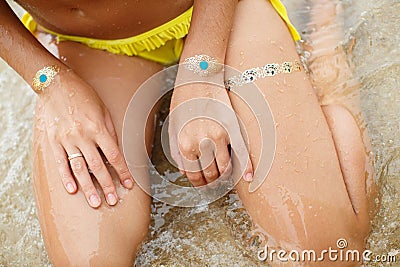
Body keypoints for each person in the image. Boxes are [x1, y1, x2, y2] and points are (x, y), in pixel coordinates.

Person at [0, 0, 377, 265]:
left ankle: (327, 50)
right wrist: (50, 81)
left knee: (326, 252)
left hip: (217, 12)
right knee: (89, 258)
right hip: (88, 43)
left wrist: (201, 69)